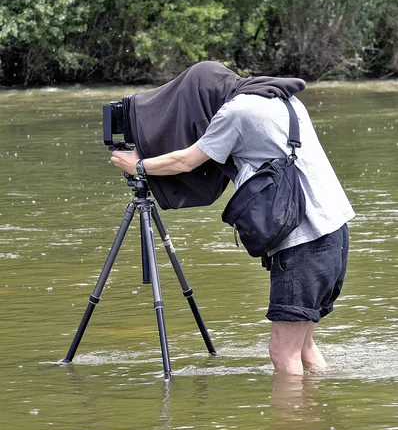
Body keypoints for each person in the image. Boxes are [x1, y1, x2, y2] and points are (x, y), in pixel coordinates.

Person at [110, 62, 355, 375]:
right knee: (302, 346)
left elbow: (186, 161)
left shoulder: (235, 113)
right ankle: (317, 415)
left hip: (302, 243)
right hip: (333, 232)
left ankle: (295, 424)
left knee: (282, 353)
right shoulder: (281, 98)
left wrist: (139, 166)